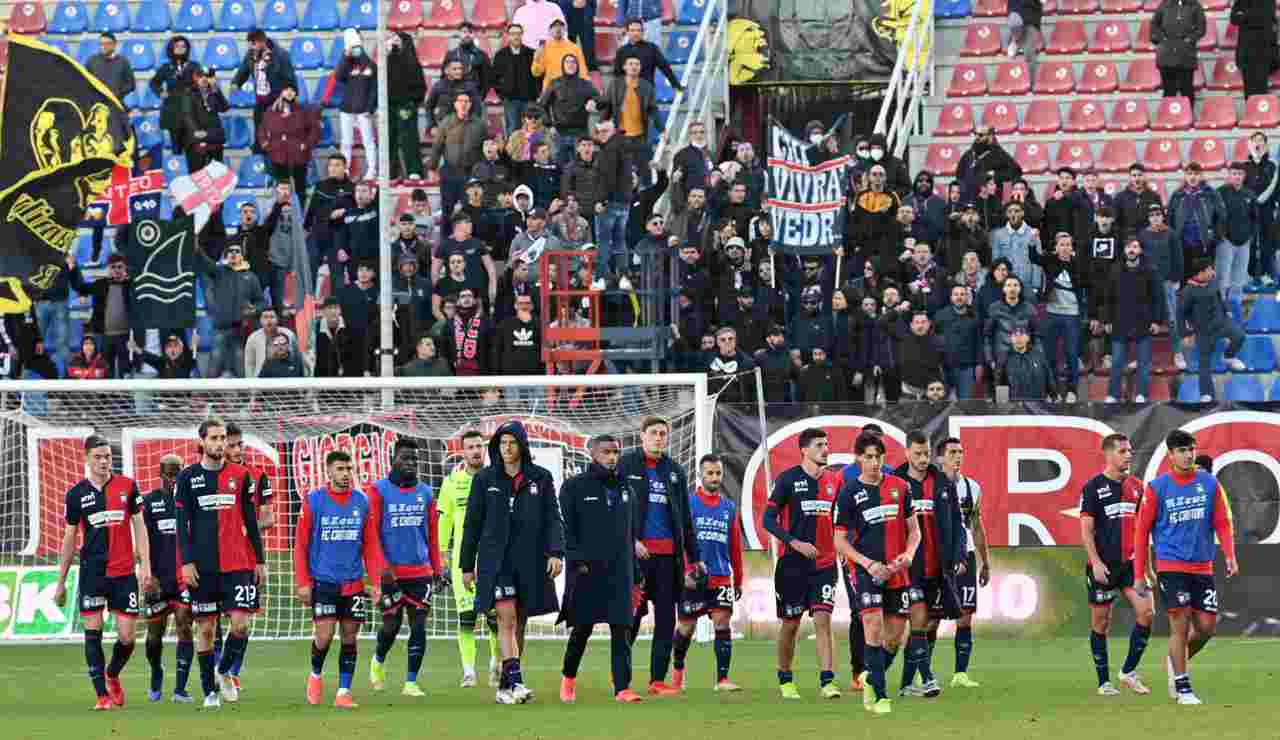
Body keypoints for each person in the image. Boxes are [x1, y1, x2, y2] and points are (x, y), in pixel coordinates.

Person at [460, 421, 564, 704]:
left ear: (522, 446)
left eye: (512, 442)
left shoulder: (540, 478)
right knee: (507, 618)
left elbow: (553, 518)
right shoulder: (485, 479)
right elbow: (472, 524)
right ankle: (516, 682)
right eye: (502, 442)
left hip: (530, 561)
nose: (506, 448)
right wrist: (467, 566)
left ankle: (505, 687)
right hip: (497, 562)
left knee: (519, 623)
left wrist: (556, 552)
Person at [1134, 429, 1239, 705]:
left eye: (1191, 449)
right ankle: (1183, 688)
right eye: (1182, 450)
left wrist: (1229, 554)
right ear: (1171, 455)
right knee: (1179, 625)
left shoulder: (1209, 483)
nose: (1188, 454)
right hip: (1171, 566)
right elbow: (1141, 531)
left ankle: (1175, 661)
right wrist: (1140, 573)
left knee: (1206, 627)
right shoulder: (1157, 488)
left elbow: (1222, 523)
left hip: (1202, 566)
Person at [53, 435, 150, 710]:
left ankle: (112, 674)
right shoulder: (75, 495)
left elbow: (140, 527)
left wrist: (146, 567)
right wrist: (60, 583)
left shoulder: (128, 487)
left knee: (128, 638)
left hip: (123, 573)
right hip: (92, 573)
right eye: (98, 457)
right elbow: (70, 539)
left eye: (108, 456)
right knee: (92, 632)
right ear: (86, 458)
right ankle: (101, 696)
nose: (104, 461)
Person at [174, 419, 264, 709]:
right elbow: (181, 524)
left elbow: (251, 521)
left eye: (223, 438)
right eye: (214, 438)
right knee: (206, 630)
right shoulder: (187, 478)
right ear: (202, 441)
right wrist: (186, 562)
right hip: (203, 566)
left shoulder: (242, 475)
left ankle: (223, 670)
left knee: (241, 626)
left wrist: (259, 560)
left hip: (237, 564)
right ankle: (209, 692)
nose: (220, 443)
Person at [833, 432, 921, 715]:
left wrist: (908, 555)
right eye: (868, 457)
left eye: (878, 457)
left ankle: (872, 675)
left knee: (894, 636)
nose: (873, 462)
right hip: (866, 572)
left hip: (897, 571)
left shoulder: (900, 487)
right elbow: (839, 541)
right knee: (872, 626)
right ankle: (881, 697)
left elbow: (915, 531)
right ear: (858, 458)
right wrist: (866, 563)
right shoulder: (848, 492)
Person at [294, 451, 383, 709]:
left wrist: (376, 581)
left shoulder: (361, 501)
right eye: (341, 469)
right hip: (323, 581)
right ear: (329, 472)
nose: (346, 474)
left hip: (353, 582)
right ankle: (315, 675)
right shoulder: (313, 501)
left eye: (349, 469)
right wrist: (302, 581)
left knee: (349, 636)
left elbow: (370, 544)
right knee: (324, 635)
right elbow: (300, 545)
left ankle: (344, 692)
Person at [557, 435, 642, 703]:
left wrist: (635, 570)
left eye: (616, 452)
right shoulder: (574, 487)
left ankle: (622, 688)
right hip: (586, 570)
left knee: (622, 630)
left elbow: (631, 532)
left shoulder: (627, 488)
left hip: (620, 570)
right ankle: (568, 679)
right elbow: (566, 530)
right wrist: (576, 561)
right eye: (606, 452)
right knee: (582, 630)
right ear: (593, 454)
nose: (612, 457)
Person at [620, 416, 701, 695]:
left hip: (669, 559)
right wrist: (630, 541)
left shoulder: (675, 470)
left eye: (663, 434)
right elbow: (615, 510)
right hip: (638, 558)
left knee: (666, 619)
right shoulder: (625, 465)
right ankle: (621, 678)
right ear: (641, 435)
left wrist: (695, 556)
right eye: (653, 433)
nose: (658, 438)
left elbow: (685, 519)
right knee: (632, 617)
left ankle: (657, 680)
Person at [763, 428, 841, 700]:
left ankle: (827, 681)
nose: (825, 449)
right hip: (792, 566)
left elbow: (842, 521)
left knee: (823, 619)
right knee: (791, 624)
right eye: (820, 445)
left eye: (827, 444)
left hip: (826, 564)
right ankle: (785, 678)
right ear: (804, 450)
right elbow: (768, 520)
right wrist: (795, 543)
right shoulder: (787, 480)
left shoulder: (835, 482)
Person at [1079, 433, 1155, 697]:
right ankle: (1104, 683)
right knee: (1101, 623)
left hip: (1131, 565)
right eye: (1123, 451)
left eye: (1130, 450)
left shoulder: (1137, 487)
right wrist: (1096, 562)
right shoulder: (1092, 488)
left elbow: (1145, 530)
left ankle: (1128, 672)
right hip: (1103, 566)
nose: (1129, 455)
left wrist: (1146, 566)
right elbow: (1086, 531)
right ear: (1109, 454)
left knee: (1146, 613)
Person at [365, 439, 442, 698]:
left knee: (419, 626)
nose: (410, 464)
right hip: (391, 574)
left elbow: (432, 535)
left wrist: (437, 570)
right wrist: (381, 569)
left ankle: (411, 682)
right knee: (391, 626)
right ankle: (377, 660)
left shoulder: (426, 493)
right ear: (393, 460)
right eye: (405, 458)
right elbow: (372, 535)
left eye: (414, 460)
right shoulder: (378, 491)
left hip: (421, 573)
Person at [892, 431, 962, 699]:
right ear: (907, 452)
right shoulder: (895, 483)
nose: (923, 459)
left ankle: (907, 684)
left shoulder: (942, 482)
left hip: (938, 567)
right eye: (917, 453)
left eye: (926, 453)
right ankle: (928, 677)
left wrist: (956, 556)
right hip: (910, 567)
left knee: (930, 625)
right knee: (919, 620)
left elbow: (957, 522)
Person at [670, 454, 743, 693]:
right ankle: (678, 673)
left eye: (718, 473)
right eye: (709, 473)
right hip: (694, 577)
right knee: (686, 628)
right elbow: (680, 541)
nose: (714, 478)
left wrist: (739, 578)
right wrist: (684, 571)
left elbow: (734, 546)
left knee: (722, 623)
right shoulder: (689, 503)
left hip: (721, 576)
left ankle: (722, 679)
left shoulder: (729, 507)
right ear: (701, 475)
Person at [438, 431, 501, 688]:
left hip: (493, 559)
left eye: (479, 446)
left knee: (497, 617)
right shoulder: (452, 482)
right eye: (471, 447)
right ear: (462, 452)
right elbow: (444, 520)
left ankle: (496, 666)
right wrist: (442, 553)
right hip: (462, 562)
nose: (476, 451)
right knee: (467, 618)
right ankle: (468, 671)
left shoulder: (495, 478)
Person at [140, 455, 195, 703]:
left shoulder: (190, 502)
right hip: (158, 580)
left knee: (185, 625)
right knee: (154, 636)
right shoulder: (150, 503)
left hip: (183, 579)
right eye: (170, 475)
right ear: (161, 475)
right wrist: (147, 574)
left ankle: (180, 689)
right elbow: (142, 542)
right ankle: (156, 671)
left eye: (178, 474)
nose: (174, 479)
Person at [935, 438, 990, 688]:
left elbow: (976, 526)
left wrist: (984, 562)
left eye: (960, 452)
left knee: (965, 616)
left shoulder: (973, 487)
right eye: (952, 452)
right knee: (931, 616)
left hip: (966, 555)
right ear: (940, 458)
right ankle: (922, 671)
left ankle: (960, 673)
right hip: (938, 556)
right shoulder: (931, 486)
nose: (958, 457)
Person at [1100, 237, 1166, 403]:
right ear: (1124, 250)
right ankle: (1113, 395)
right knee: (1116, 362)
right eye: (1128, 246)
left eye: (1135, 247)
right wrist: (1107, 320)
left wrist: (1157, 321)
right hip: (1120, 322)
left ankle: (1141, 395)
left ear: (1140, 250)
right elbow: (1107, 297)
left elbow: (1158, 298)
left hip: (1143, 322)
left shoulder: (1151, 270)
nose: (1131, 250)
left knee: (1144, 362)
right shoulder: (1115, 270)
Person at [1180, 260, 1248, 400]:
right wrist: (1185, 334)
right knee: (1204, 363)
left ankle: (1229, 356)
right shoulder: (1188, 291)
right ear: (1201, 273)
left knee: (1240, 336)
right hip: (1204, 330)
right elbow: (1181, 313)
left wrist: (1226, 310)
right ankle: (1206, 394)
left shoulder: (1213, 282)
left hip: (1222, 322)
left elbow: (1220, 298)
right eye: (1210, 269)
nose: (1213, 272)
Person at [1031, 231, 1084, 402]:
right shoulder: (1050, 260)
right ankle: (1052, 391)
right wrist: (1033, 240)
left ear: (1072, 247)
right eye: (1062, 245)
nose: (1065, 248)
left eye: (1068, 244)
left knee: (1071, 354)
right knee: (1050, 354)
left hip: (1072, 315)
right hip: (1052, 313)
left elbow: (1088, 285)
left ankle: (1072, 391)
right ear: (1056, 247)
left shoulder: (1079, 264)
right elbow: (1034, 257)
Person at [232, 29, 298, 150]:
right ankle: (259, 158)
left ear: (262, 41)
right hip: (260, 102)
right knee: (259, 136)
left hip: (277, 102)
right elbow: (243, 70)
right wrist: (236, 83)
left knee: (277, 136)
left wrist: (289, 96)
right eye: (250, 44)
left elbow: (291, 79)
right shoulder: (251, 54)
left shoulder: (281, 55)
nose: (252, 47)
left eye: (253, 44)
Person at [428, 93, 490, 220]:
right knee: (447, 210)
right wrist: (432, 168)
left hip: (470, 173)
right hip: (449, 171)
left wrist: (482, 171)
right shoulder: (446, 122)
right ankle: (446, 238)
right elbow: (437, 146)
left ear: (470, 105)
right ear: (455, 104)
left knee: (469, 210)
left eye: (466, 101)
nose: (463, 104)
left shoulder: (479, 125)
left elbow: (485, 149)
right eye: (460, 101)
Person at [258, 83, 320, 200]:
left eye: (292, 90)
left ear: (296, 93)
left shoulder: (304, 110)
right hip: (277, 154)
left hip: (299, 154)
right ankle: (280, 213)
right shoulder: (271, 111)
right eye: (286, 89)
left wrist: (306, 145)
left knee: (300, 188)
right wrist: (265, 144)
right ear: (281, 92)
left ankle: (300, 214)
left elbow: (315, 130)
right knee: (281, 188)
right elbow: (262, 129)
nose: (289, 92)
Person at [539, 53, 599, 167]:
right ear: (563, 65)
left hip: (580, 133)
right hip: (559, 133)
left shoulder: (585, 84)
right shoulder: (555, 83)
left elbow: (601, 100)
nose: (570, 64)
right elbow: (542, 106)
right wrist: (549, 125)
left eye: (573, 62)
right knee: (559, 168)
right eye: (567, 62)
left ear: (577, 65)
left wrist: (594, 102)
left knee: (581, 167)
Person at [387, 30, 427, 184]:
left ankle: (414, 170)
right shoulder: (388, 60)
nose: (394, 42)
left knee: (409, 139)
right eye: (393, 39)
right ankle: (390, 172)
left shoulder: (413, 63)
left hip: (406, 106)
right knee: (389, 139)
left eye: (397, 39)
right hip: (389, 106)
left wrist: (412, 103)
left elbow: (420, 88)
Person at [1215, 162, 1258, 303]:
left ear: (1244, 176)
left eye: (1240, 174)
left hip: (1244, 243)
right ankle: (1221, 310)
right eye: (1234, 173)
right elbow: (1214, 217)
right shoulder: (1220, 192)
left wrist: (1250, 237)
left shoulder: (1250, 194)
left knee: (1239, 281)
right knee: (1223, 279)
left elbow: (1254, 218)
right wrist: (1221, 236)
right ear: (1229, 175)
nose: (1237, 177)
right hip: (1226, 242)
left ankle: (1236, 310)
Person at [1151, 0, 1206, 106]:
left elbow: (1201, 28)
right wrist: (1162, 39)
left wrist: (1189, 40)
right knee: (1168, 91)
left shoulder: (1195, 5)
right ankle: (1168, 118)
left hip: (1186, 54)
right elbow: (1154, 25)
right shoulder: (1164, 4)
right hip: (1166, 54)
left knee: (1187, 90)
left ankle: (1188, 117)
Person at [493, 24, 539, 135]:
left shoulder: (531, 53)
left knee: (530, 131)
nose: (516, 37)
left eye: (518, 33)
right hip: (510, 101)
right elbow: (495, 78)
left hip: (528, 100)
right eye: (513, 34)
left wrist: (535, 94)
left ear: (522, 35)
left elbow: (538, 76)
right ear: (508, 36)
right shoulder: (500, 55)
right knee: (512, 131)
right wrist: (502, 95)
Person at [955, 126, 1022, 201]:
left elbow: (1016, 171)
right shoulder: (969, 154)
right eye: (975, 134)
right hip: (970, 200)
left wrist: (995, 175)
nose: (977, 137)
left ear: (990, 136)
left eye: (981, 135)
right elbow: (959, 175)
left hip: (991, 201)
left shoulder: (998, 154)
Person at [615, 18, 682, 90]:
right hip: (627, 92)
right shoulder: (621, 51)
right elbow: (617, 74)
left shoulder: (652, 48)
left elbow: (664, 67)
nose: (636, 33)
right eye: (632, 30)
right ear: (627, 32)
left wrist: (676, 84)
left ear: (643, 32)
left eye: (639, 30)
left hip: (647, 92)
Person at [1000, 323, 1058, 401]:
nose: (1018, 338)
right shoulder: (1004, 358)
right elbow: (1000, 384)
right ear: (1010, 338)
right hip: (1014, 406)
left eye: (1022, 334)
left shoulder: (1039, 357)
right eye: (1015, 335)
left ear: (1028, 337)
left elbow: (1050, 380)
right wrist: (1002, 404)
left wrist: (1054, 396)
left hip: (1038, 405)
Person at [532, 18, 588, 92]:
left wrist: (586, 90)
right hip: (550, 92)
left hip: (570, 91)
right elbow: (536, 73)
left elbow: (582, 71)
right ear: (550, 31)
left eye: (561, 26)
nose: (558, 28)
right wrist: (536, 60)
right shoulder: (544, 48)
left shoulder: (574, 48)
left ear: (565, 30)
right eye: (554, 26)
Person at [1006, 0, 1044, 67]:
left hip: (1031, 17)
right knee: (1014, 20)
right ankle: (1015, 40)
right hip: (1016, 11)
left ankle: (1030, 76)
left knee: (1029, 53)